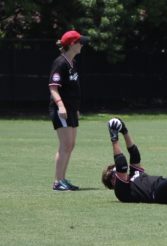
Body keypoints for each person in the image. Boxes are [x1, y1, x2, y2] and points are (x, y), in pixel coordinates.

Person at [48, 30, 89, 191]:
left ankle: (63, 179)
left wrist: (75, 109)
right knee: (65, 144)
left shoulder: (73, 63)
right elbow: (53, 87)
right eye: (80, 42)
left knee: (70, 145)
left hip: (71, 110)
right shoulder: (60, 63)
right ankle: (57, 182)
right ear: (72, 44)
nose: (82, 45)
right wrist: (61, 106)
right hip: (61, 110)